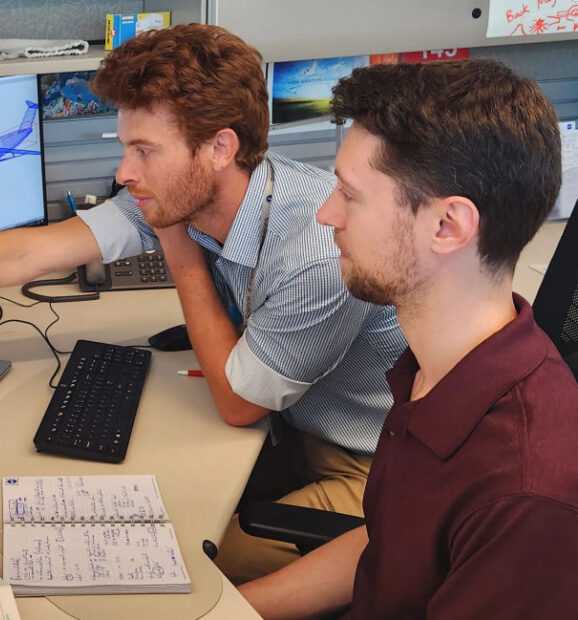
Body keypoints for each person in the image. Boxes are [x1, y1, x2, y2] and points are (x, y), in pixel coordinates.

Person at [0, 24, 405, 580]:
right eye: (123, 147)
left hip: (372, 464)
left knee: (183, 559)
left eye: (144, 149)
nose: (123, 172)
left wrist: (175, 249)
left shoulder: (312, 246)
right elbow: (26, 255)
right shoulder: (185, 191)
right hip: (299, 430)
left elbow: (237, 404)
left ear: (219, 148)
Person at [239, 58, 578, 618]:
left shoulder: (525, 496)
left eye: (350, 195)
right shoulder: (430, 371)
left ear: (447, 226)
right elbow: (390, 545)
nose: (326, 215)